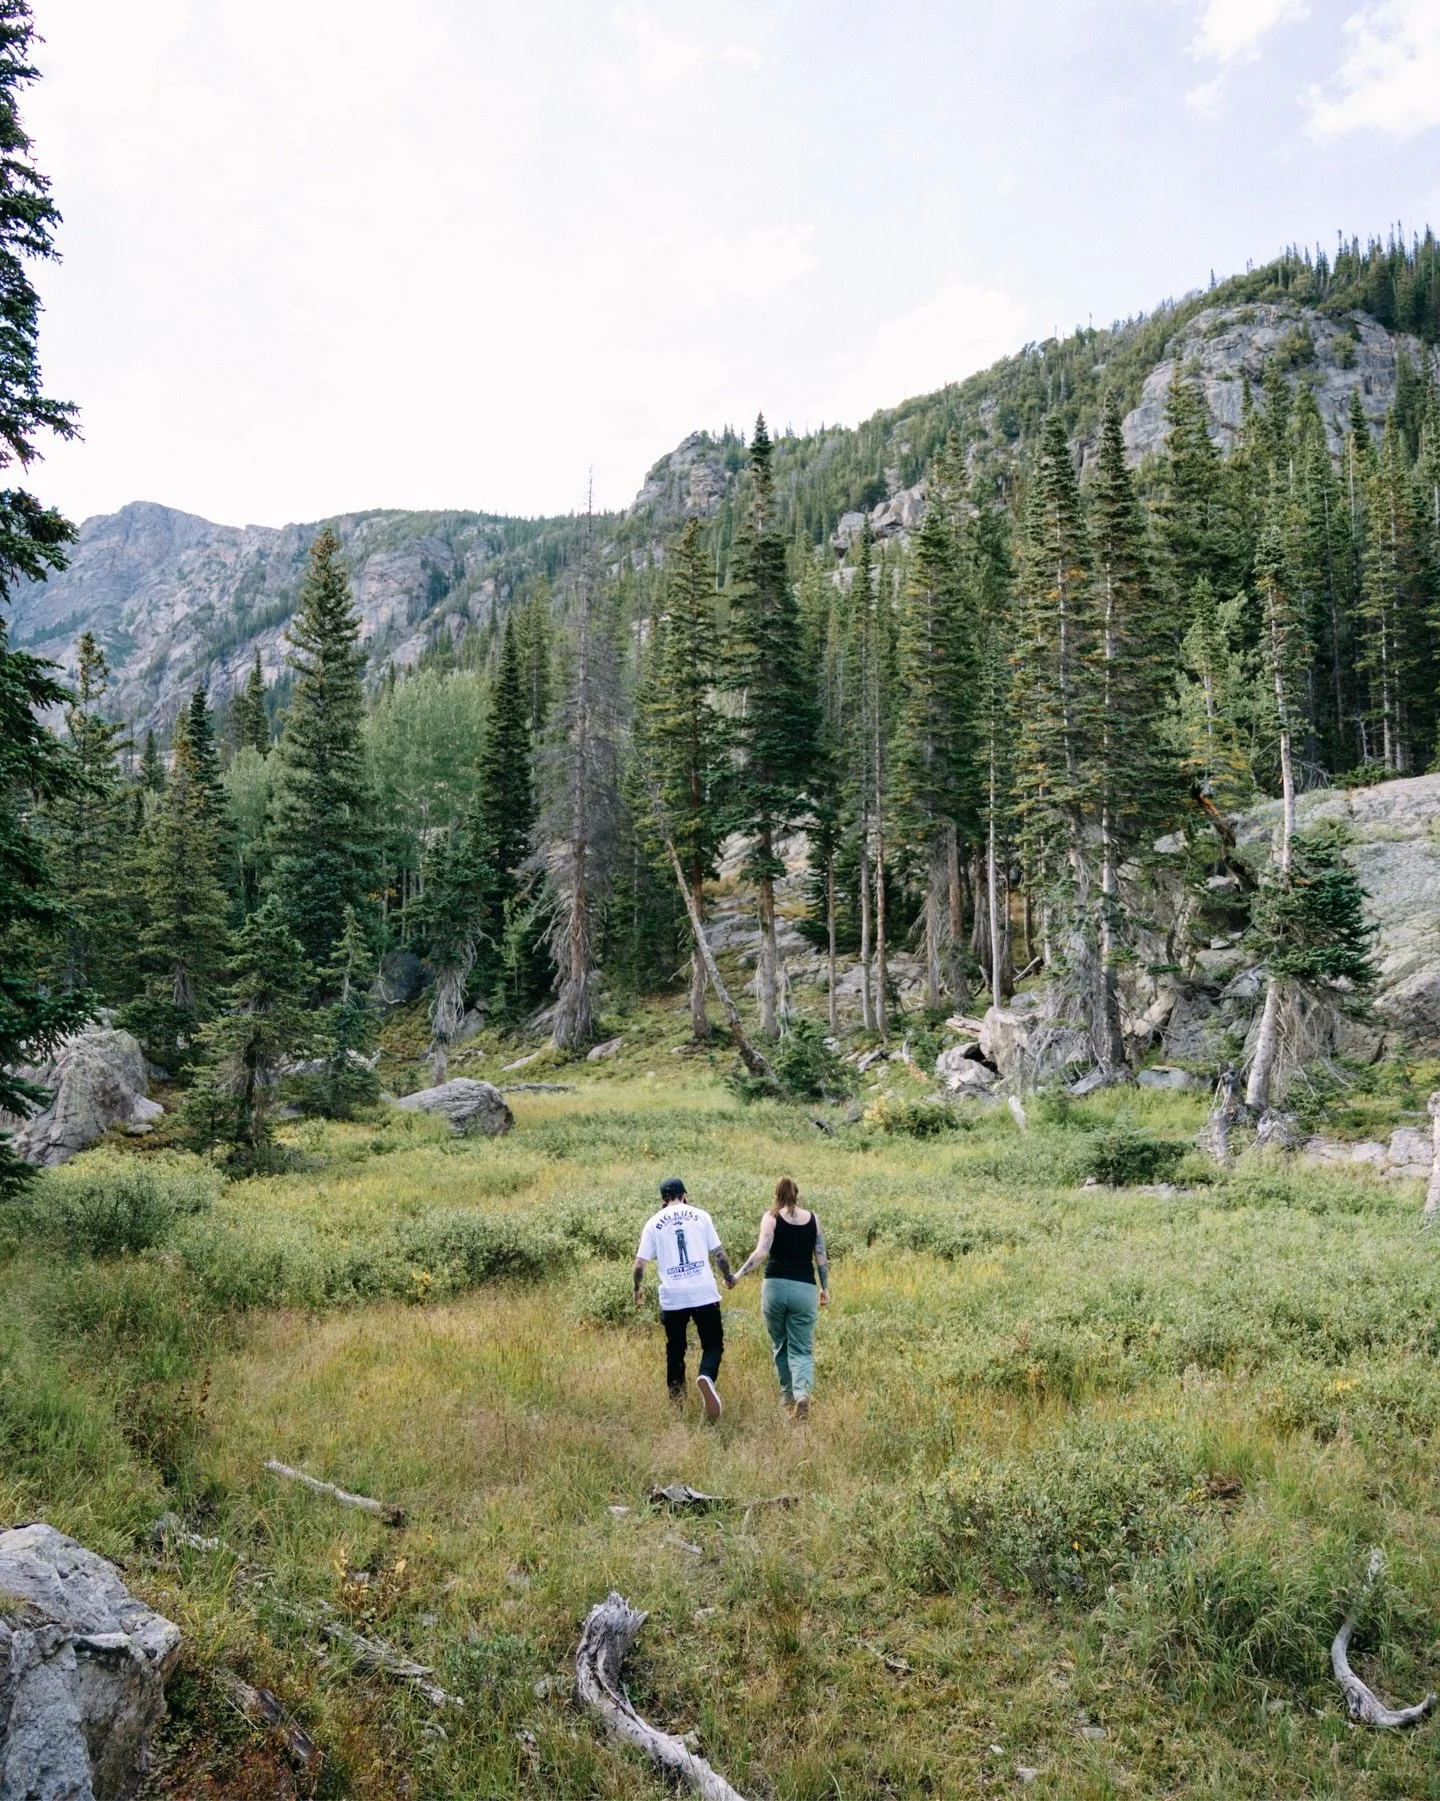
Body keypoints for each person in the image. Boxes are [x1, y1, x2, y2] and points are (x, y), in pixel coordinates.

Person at [633, 1177, 735, 1419]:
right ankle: (706, 1377)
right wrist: (728, 1275)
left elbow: (640, 1264)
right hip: (704, 1293)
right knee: (713, 1344)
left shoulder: (653, 1223)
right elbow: (719, 1254)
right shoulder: (701, 1216)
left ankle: (677, 1404)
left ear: (663, 1200)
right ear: (685, 1195)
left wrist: (637, 1288)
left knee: (675, 1351)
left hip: (673, 1298)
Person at [735, 1176, 829, 1421]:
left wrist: (737, 1275)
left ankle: (786, 1394)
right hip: (804, 1289)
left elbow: (761, 1252)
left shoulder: (771, 1217)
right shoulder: (814, 1220)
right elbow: (821, 1258)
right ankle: (802, 1395)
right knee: (802, 1348)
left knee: (780, 1343)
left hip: (775, 1288)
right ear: (796, 1194)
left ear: (776, 1195)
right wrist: (825, 1288)